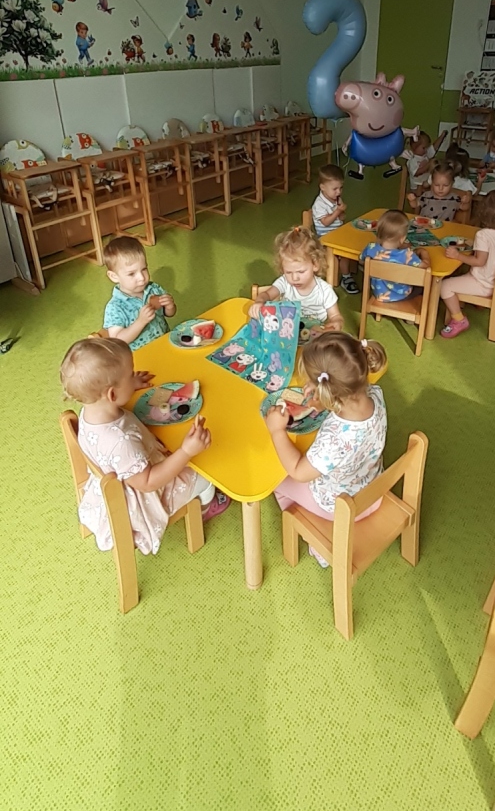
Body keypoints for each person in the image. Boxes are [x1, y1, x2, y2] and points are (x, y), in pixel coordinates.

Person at [60, 337, 230, 552]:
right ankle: (206, 507)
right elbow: (148, 482)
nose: (134, 376)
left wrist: (129, 385)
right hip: (144, 498)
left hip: (114, 479)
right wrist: (186, 451)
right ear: (112, 394)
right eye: (130, 375)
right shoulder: (121, 441)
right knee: (206, 475)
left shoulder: (91, 409)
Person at [266, 332, 387, 566]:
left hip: (340, 508)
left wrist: (277, 431)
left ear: (327, 389)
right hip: (372, 491)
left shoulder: (334, 438)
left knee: (274, 478)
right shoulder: (375, 394)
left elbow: (298, 471)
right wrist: (326, 401)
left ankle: (320, 538)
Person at [439, 190, 495, 338]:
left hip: (483, 283)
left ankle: (459, 319)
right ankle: (476, 304)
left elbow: (479, 262)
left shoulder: (483, 235)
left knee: (444, 285)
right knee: (462, 275)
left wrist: (458, 255)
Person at [249, 226, 343, 335]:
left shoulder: (325, 291)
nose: (295, 278)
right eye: (288, 272)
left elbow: (335, 316)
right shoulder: (284, 282)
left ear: (315, 265)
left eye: (301, 272)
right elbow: (266, 294)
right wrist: (259, 301)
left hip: (313, 337)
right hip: (286, 331)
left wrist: (337, 322)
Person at [103, 236, 176, 350]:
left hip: (165, 345)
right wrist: (140, 322)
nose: (141, 277)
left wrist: (170, 306)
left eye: (144, 269)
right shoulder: (115, 307)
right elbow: (118, 340)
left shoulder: (153, 288)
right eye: (131, 274)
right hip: (141, 356)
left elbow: (169, 314)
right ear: (114, 276)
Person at [360, 210, 430, 302]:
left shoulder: (371, 248)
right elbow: (426, 265)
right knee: (424, 281)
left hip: (379, 294)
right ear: (402, 239)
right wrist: (424, 252)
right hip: (401, 295)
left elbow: (361, 260)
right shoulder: (407, 255)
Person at [311, 163, 358, 295]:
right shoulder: (319, 204)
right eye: (335, 189)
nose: (339, 192)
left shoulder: (335, 199)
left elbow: (341, 218)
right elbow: (325, 222)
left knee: (356, 239)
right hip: (326, 237)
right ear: (322, 187)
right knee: (344, 252)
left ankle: (356, 261)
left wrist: (341, 214)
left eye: (341, 188)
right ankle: (346, 277)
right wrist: (338, 211)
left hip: (338, 233)